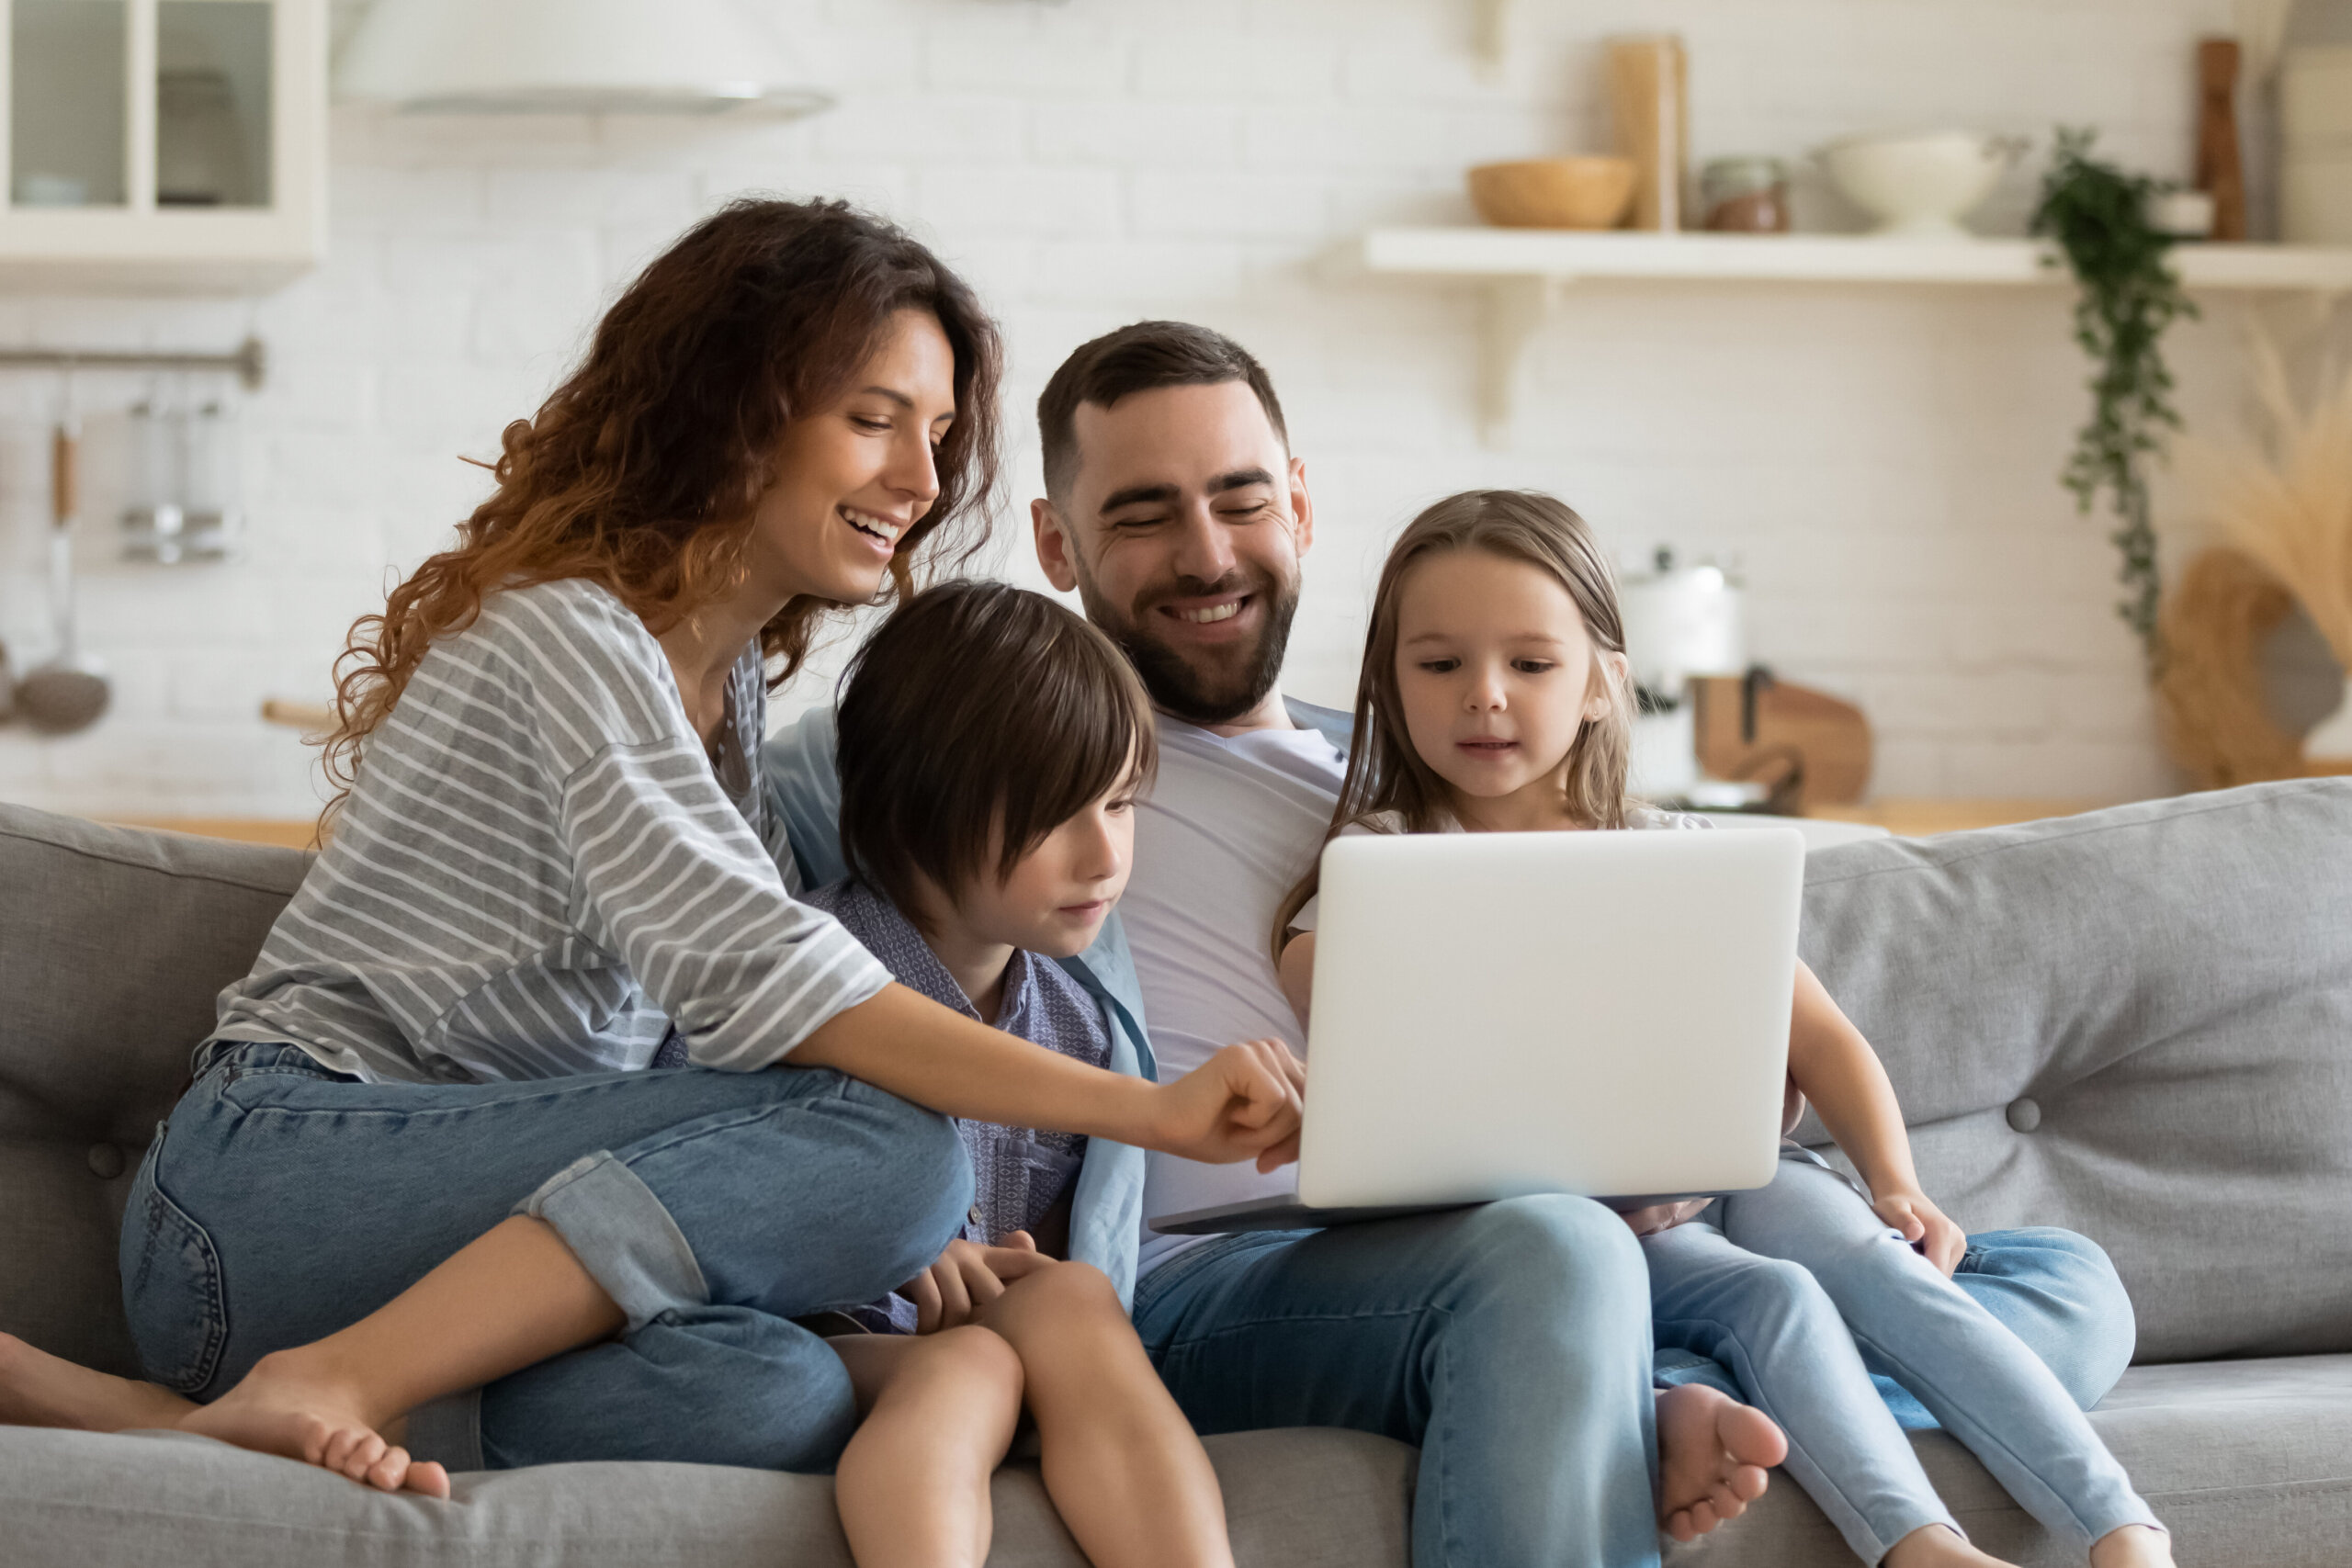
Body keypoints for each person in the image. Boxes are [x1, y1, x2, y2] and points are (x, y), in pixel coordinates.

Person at [766, 320, 2145, 1568]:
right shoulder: (1003, 750)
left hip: (1524, 1230)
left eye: (1240, 498)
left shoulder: (1412, 770)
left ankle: (1630, 1387)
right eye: (1143, 514)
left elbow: (1629, 895)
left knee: (2066, 1287)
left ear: (1298, 505)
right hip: (1228, 1272)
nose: (1205, 551)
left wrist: (1681, 1104)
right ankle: (1626, 1383)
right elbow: (802, 960)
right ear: (1060, 549)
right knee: (1564, 1252)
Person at [0, 202, 1305, 1502]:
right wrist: (1146, 1107)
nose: (920, 478)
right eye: (874, 416)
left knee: (777, 1389)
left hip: (439, 1246)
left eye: (940, 432)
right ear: (732, 409)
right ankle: (324, 1382)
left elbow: (710, 1065)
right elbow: (771, 985)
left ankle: (196, 1409)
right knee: (905, 1153)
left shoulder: (724, 698)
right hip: (277, 1186)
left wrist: (858, 1243)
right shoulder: (567, 639)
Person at [1269, 488, 2176, 1568]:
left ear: (1603, 682)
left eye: (1530, 663)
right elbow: (1386, 1095)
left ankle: (2122, 1530)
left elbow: (1824, 1040)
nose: (1486, 697)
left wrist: (1896, 1184)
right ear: (1389, 681)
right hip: (1574, 1234)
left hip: (1734, 1173)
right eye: (1439, 664)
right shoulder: (1375, 878)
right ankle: (1909, 1538)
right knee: (1777, 1296)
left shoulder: (1669, 852)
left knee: (1922, 1269)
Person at [809, 579, 1238, 1568]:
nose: (1104, 855)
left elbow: (1030, 1256)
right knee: (973, 1368)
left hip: (968, 1336)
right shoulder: (801, 969)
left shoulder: (1075, 1022)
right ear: (917, 809)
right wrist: (876, 1236)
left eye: (1121, 805)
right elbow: (692, 1168)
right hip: (802, 1335)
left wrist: (1007, 1268)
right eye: (1055, 817)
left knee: (1067, 1302)